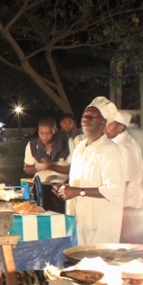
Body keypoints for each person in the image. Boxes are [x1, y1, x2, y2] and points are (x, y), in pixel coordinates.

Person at [55, 98, 125, 245]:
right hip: (80, 217)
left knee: (97, 263)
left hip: (101, 221)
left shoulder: (110, 150)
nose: (85, 119)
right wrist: (65, 188)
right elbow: (79, 180)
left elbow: (114, 190)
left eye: (92, 116)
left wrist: (78, 191)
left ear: (103, 122)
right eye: (84, 116)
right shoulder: (80, 147)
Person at [106, 109, 143, 243]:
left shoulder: (124, 147)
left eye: (109, 124)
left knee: (128, 243)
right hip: (119, 202)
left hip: (126, 204)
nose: (105, 127)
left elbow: (125, 180)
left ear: (120, 127)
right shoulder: (116, 143)